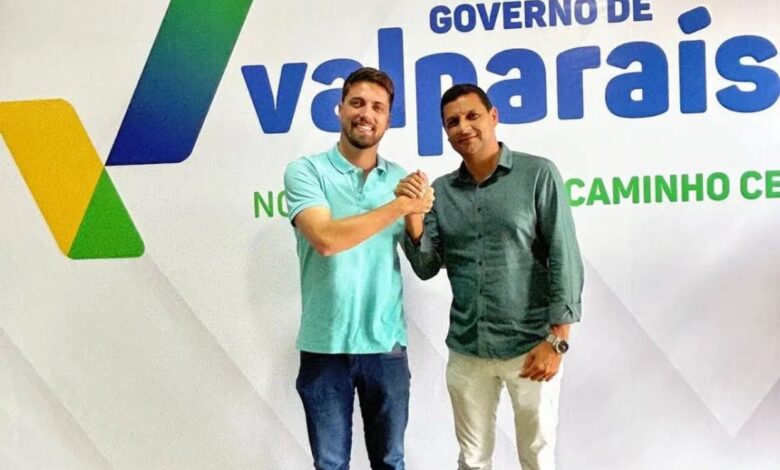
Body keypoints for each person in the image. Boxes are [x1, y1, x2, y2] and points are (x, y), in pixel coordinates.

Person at [397, 83, 583, 470]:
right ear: (446, 132)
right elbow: (427, 267)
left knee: (537, 456)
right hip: (468, 349)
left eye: (472, 116)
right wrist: (412, 216)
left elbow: (564, 256)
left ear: (493, 116)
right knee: (472, 459)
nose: (463, 127)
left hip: (532, 346)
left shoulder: (538, 174)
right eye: (453, 122)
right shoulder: (441, 192)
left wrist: (557, 340)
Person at [283, 67, 434, 470]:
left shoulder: (401, 180)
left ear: (388, 119)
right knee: (330, 465)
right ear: (340, 109)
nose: (366, 113)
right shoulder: (306, 171)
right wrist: (399, 206)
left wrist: (415, 215)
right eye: (357, 103)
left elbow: (424, 265)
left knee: (390, 462)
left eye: (377, 107)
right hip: (324, 345)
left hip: (385, 345)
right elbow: (326, 239)